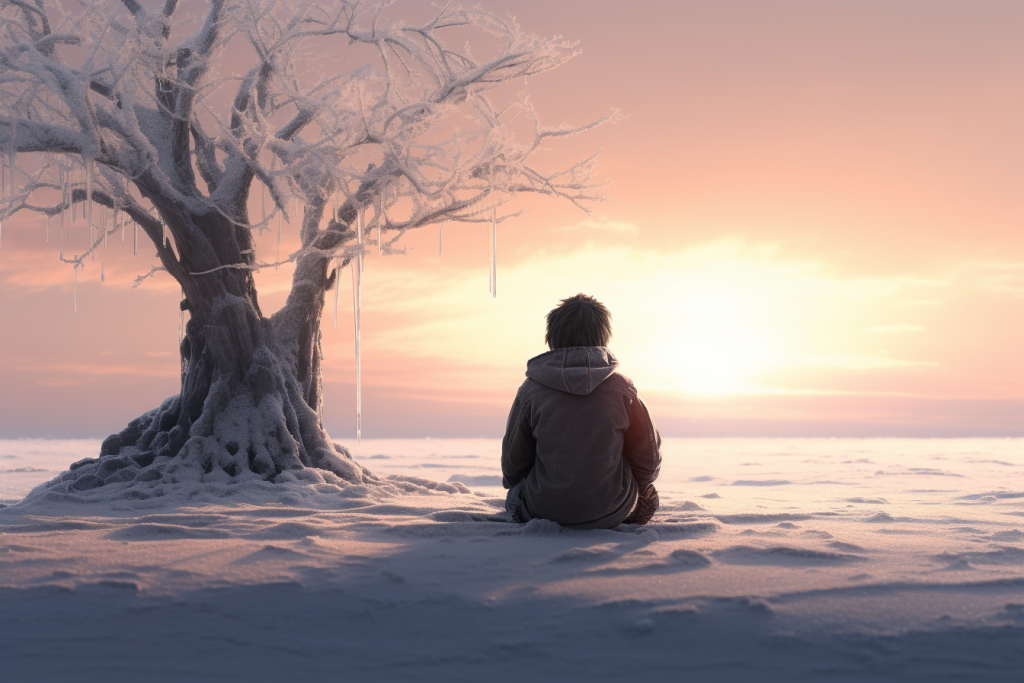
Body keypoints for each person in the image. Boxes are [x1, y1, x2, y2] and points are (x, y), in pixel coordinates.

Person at [501, 294, 662, 528]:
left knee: (515, 496)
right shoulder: (623, 388)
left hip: (541, 510)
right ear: (604, 337)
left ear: (551, 337)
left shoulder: (531, 390)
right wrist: (641, 485)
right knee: (649, 495)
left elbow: (513, 464)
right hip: (613, 510)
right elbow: (648, 458)